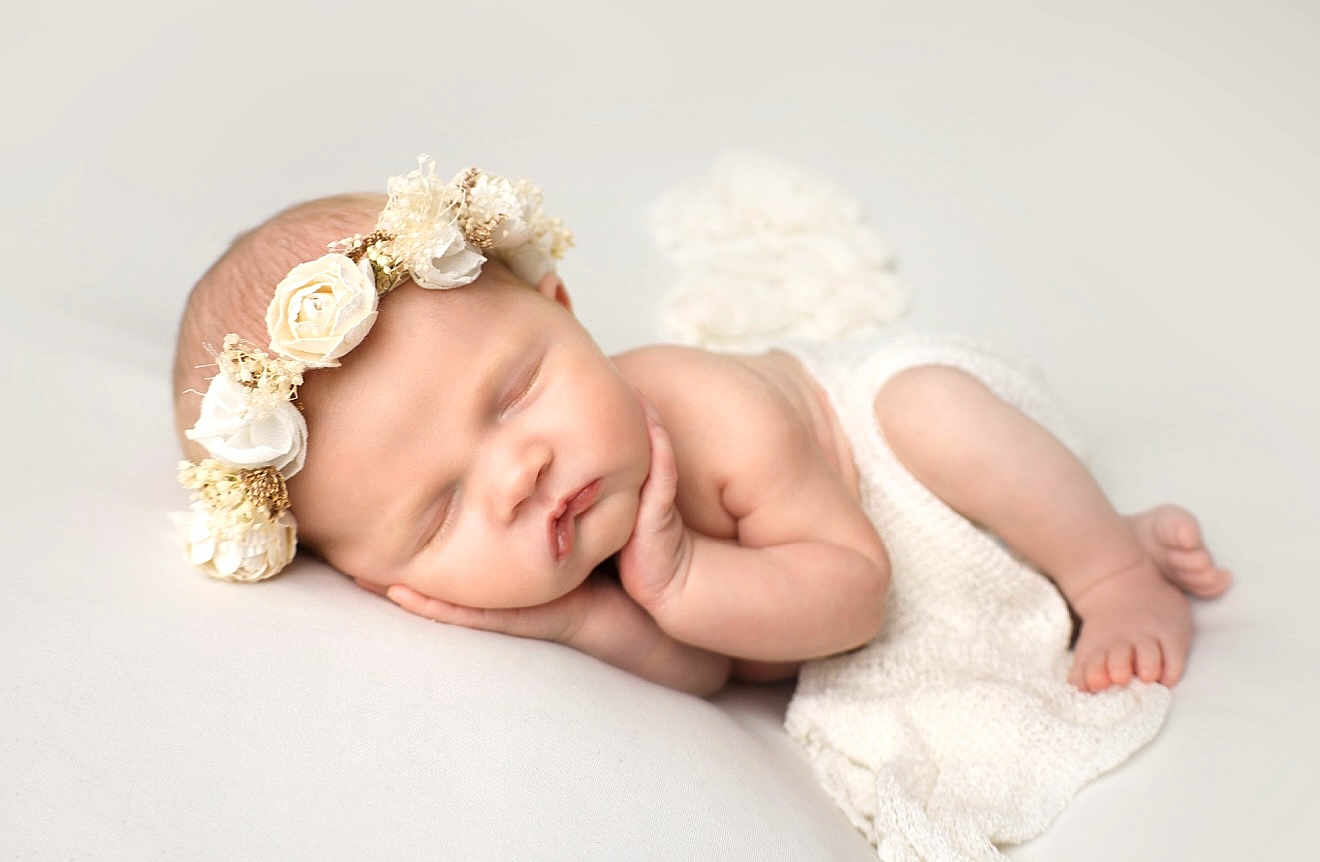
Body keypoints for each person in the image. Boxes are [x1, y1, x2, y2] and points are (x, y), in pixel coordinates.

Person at [172, 158, 1232, 698]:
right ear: (371, 576)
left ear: (563, 313)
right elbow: (716, 671)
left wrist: (677, 582)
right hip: (811, 587)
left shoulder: (699, 410)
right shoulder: (552, 554)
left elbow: (856, 595)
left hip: (887, 469)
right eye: (441, 510)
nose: (518, 475)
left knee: (938, 410)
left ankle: (1105, 565)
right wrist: (582, 626)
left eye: (512, 397)